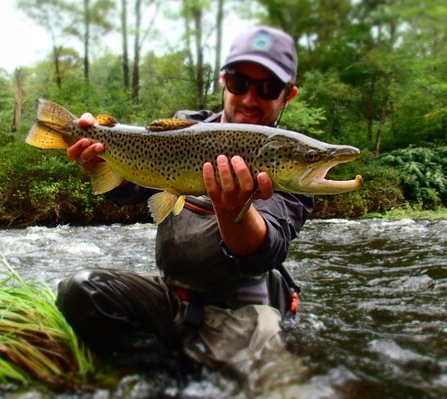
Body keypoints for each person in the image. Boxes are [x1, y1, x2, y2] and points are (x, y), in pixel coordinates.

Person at [55, 26, 313, 384]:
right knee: (81, 290)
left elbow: (264, 251)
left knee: (279, 389)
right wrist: (100, 157)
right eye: (240, 82)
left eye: (268, 88)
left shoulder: (292, 161)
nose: (251, 99)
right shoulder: (186, 129)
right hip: (171, 299)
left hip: (242, 312)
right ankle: (171, 376)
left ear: (289, 94)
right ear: (224, 81)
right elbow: (133, 190)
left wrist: (233, 211)